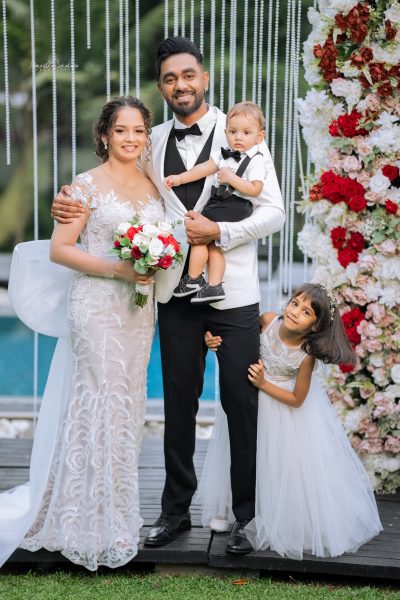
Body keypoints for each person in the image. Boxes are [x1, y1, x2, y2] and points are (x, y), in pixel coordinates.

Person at [51, 36, 285, 555]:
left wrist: (220, 233)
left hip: (232, 294)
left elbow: (274, 212)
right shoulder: (151, 139)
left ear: (204, 79)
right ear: (161, 88)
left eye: (189, 75)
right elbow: (112, 185)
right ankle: (174, 512)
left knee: (241, 402)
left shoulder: (240, 129)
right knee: (178, 405)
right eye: (170, 79)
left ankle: (246, 517)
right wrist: (65, 202)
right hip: (172, 293)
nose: (181, 85)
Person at [0, 96, 163, 570]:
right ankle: (77, 517)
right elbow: (61, 249)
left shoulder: (155, 183)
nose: (130, 138)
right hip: (95, 305)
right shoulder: (84, 186)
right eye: (121, 130)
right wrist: (119, 269)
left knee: (125, 404)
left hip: (138, 311)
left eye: (138, 130)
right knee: (96, 400)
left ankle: (114, 513)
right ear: (105, 136)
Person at [201, 283, 383, 559]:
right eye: (295, 303)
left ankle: (269, 516)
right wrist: (213, 340)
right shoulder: (267, 321)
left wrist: (264, 384)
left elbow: (298, 398)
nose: (295, 311)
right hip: (249, 402)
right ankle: (232, 509)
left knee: (274, 463)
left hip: (281, 411)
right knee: (241, 452)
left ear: (315, 326)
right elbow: (236, 337)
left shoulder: (306, 355)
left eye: (306, 312)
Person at [165, 101, 267, 304]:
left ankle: (193, 279)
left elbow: (255, 189)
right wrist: (180, 178)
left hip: (234, 204)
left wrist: (231, 179)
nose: (238, 137)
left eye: (246, 133)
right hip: (222, 202)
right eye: (233, 132)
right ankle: (214, 286)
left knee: (199, 234)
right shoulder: (223, 153)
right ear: (226, 132)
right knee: (214, 246)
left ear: (259, 137)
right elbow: (203, 168)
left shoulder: (256, 159)